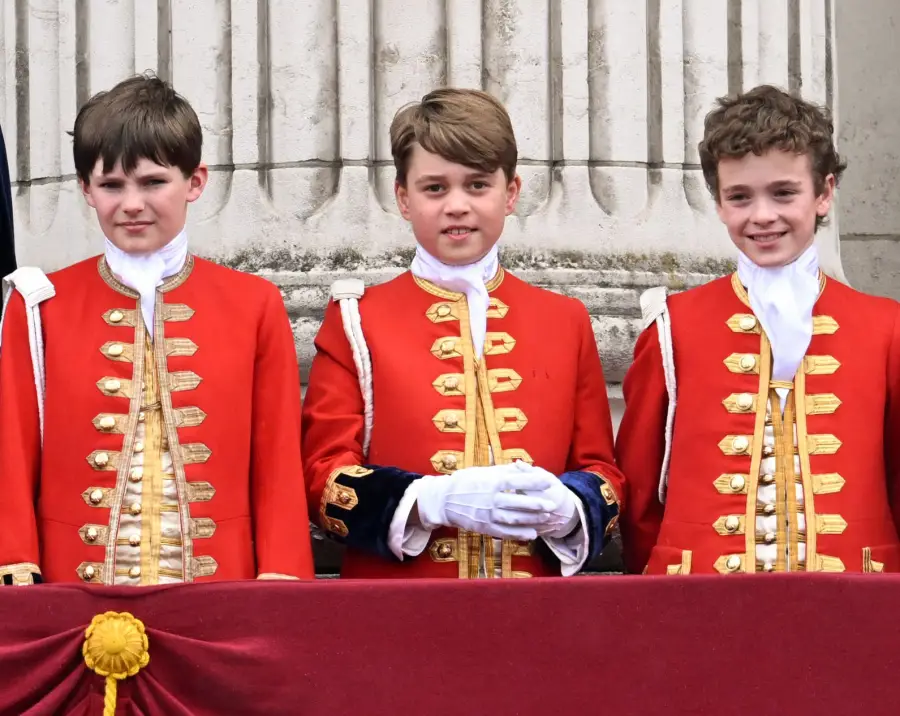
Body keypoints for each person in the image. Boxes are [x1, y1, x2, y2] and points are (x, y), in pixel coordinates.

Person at [0, 74, 314, 585]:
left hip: (220, 592)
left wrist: (281, 576)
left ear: (195, 182)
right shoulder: (39, 306)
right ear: (85, 190)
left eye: (152, 182)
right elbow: (10, 452)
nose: (131, 204)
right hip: (72, 590)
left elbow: (277, 459)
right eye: (110, 185)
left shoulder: (254, 303)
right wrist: (14, 561)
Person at [302, 88, 624, 578]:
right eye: (435, 188)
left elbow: (604, 473)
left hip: (536, 615)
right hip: (398, 615)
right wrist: (429, 500)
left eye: (477, 185)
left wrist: (570, 508)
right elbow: (321, 478)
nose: (457, 205)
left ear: (511, 193)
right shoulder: (356, 320)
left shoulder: (566, 320)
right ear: (404, 199)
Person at [617, 84, 900, 575]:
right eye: (740, 197)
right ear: (719, 204)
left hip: (857, 609)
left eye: (784, 193)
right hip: (701, 609)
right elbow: (641, 495)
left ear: (824, 193)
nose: (762, 216)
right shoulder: (672, 327)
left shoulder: (886, 328)